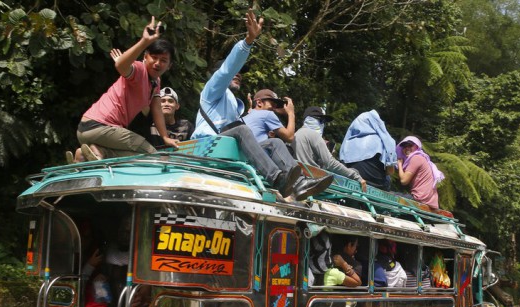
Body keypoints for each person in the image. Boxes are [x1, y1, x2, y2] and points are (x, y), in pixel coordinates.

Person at [191, 10, 332, 201]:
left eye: (240, 72)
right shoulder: (212, 90)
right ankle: (277, 178)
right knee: (242, 130)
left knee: (274, 142)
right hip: (207, 145)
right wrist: (248, 41)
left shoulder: (233, 102)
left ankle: (299, 184)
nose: (238, 73)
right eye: (236, 71)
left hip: (228, 146)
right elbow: (227, 70)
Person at [69, 17, 179, 163]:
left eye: (163, 60)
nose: (158, 63)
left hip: (91, 131)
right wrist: (144, 41)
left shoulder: (155, 82)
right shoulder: (140, 70)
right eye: (154, 57)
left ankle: (92, 154)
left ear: (169, 65)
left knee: (135, 158)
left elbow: (156, 109)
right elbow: (121, 66)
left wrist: (165, 137)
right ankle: (99, 152)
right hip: (99, 125)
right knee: (152, 155)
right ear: (145, 57)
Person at [292, 106, 367, 192]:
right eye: (321, 121)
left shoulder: (295, 134)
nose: (323, 124)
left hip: (298, 178)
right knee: (354, 171)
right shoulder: (314, 135)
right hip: (312, 180)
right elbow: (330, 163)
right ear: (310, 119)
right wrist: (355, 176)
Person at [339, 110, 397, 191]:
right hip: (377, 185)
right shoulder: (384, 141)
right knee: (388, 178)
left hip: (353, 181)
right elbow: (390, 171)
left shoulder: (348, 142)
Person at [396, 136, 444, 209]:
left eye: (410, 145)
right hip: (429, 202)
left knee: (389, 196)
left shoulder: (416, 158)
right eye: (405, 146)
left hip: (420, 200)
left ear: (416, 146)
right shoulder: (422, 158)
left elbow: (404, 181)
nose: (407, 148)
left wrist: (399, 164)